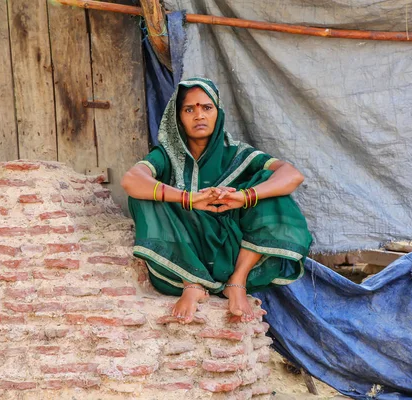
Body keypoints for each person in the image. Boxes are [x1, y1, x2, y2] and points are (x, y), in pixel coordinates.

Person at [122, 77, 312, 324]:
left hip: (232, 252)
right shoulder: (167, 155)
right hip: (183, 252)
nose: (199, 115)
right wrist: (188, 199)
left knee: (269, 185)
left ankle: (237, 282)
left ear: (218, 113)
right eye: (189, 109)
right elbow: (131, 180)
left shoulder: (239, 153)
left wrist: (243, 197)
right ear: (178, 117)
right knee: (144, 194)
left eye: (206, 107)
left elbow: (292, 175)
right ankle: (192, 283)